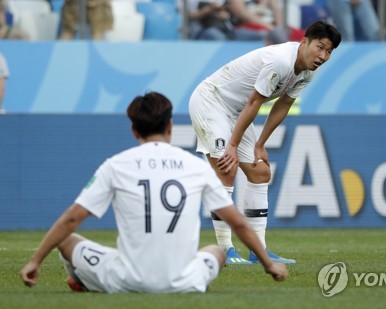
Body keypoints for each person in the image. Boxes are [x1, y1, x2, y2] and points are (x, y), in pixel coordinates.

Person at [19, 92, 288, 293]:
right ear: (170, 128)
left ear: (134, 130)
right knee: (217, 252)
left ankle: (82, 281)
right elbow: (237, 222)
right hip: (185, 282)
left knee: (68, 241)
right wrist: (268, 264)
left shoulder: (116, 165)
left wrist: (34, 261)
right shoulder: (196, 167)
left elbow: (71, 218)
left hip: (125, 279)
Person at [189, 20, 341, 264]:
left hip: (236, 111)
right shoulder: (281, 61)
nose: (323, 56)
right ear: (304, 42)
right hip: (212, 101)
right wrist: (233, 146)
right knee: (226, 168)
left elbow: (283, 105)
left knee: (260, 172)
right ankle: (225, 250)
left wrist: (260, 145)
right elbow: (254, 103)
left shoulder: (309, 71)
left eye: (329, 51)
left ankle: (258, 249)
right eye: (320, 47)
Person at [177, 0, 265, 41]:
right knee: (218, 37)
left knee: (262, 36)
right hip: (200, 30)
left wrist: (225, 13)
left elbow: (225, 10)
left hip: (226, 28)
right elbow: (185, 16)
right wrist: (207, 10)